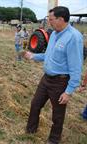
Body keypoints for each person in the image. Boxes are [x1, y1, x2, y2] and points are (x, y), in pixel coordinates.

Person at [23, 6, 83, 144]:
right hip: (46, 79)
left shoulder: (74, 38)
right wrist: (33, 56)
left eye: (51, 20)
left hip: (60, 82)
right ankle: (31, 130)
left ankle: (54, 140)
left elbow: (76, 67)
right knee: (35, 104)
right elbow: (48, 55)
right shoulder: (55, 34)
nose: (49, 22)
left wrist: (68, 92)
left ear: (61, 19)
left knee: (57, 114)